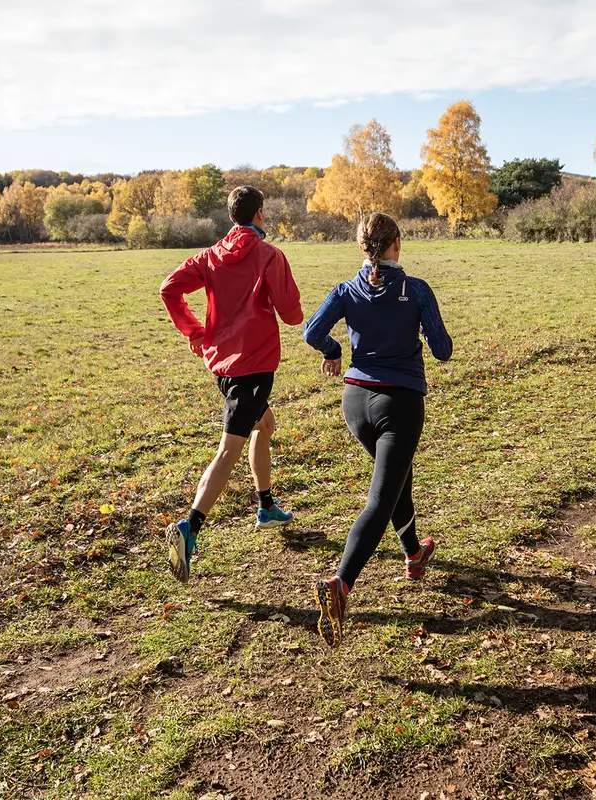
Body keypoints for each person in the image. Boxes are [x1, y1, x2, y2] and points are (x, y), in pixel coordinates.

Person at [301, 212, 452, 646]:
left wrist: (333, 348)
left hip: (356, 404)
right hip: (399, 403)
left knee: (396, 480)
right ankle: (340, 584)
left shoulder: (346, 290)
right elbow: (443, 351)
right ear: (397, 244)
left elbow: (313, 332)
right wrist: (420, 329)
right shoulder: (417, 289)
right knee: (381, 498)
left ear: (360, 247)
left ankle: (413, 555)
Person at [158, 185, 305, 582]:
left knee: (266, 424)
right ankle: (189, 528)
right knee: (228, 452)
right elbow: (292, 315)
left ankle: (266, 506)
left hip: (221, 366)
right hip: (253, 369)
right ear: (259, 215)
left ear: (230, 217)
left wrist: (194, 331)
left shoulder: (209, 257)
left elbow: (169, 289)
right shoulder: (269, 255)